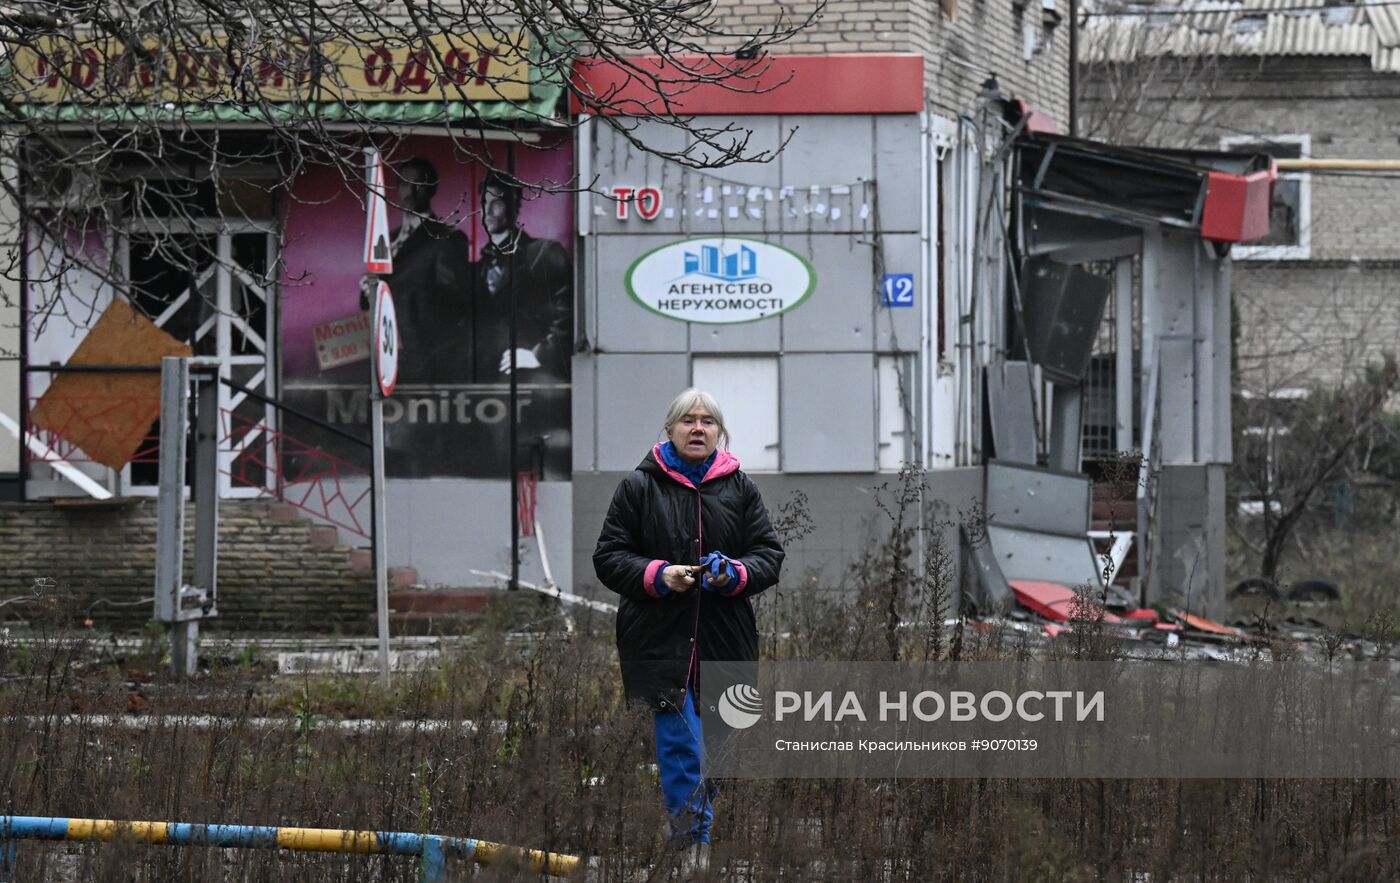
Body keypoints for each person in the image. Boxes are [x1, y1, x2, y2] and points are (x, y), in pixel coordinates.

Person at [592, 389, 784, 871]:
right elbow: (609, 558)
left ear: (720, 432)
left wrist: (734, 572)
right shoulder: (639, 487)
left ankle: (694, 828)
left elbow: (768, 555)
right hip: (659, 642)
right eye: (687, 420)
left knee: (722, 745)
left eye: (707, 421)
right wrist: (659, 575)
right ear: (670, 430)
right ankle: (690, 846)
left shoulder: (740, 488)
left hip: (725, 639)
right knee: (680, 745)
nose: (697, 428)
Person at [360, 156, 472, 383]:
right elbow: (371, 303)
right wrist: (367, 291)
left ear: (432, 189)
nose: (410, 190)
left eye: (417, 184)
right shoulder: (388, 238)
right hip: (388, 352)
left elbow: (454, 302)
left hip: (425, 357)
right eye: (403, 183)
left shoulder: (447, 237)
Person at [471, 170, 571, 381]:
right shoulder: (479, 266)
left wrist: (540, 353)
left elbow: (569, 312)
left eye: (496, 203)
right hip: (487, 379)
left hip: (533, 378)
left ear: (514, 207)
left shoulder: (543, 253)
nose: (487, 210)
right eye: (483, 202)